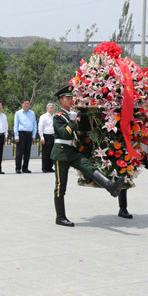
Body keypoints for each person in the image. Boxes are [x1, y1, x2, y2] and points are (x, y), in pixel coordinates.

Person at [51, 85, 125, 227]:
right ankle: (60, 217)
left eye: (71, 97)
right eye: (68, 98)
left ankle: (110, 186)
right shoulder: (58, 117)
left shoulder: (71, 115)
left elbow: (77, 134)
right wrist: (72, 122)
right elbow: (65, 134)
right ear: (61, 100)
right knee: (60, 185)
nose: (71, 100)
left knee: (89, 167)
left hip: (72, 151)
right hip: (61, 153)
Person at [14, 99, 36, 174]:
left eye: (28, 103)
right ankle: (18, 168)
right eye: (25, 103)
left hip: (29, 134)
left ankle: (25, 168)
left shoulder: (32, 113)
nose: (27, 105)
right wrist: (16, 135)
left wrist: (34, 134)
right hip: (21, 134)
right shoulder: (18, 113)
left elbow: (34, 124)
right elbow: (16, 125)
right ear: (22, 104)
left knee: (27, 152)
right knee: (19, 152)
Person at [38, 103, 55, 173]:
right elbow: (40, 127)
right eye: (50, 108)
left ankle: (50, 167)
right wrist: (41, 137)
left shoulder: (55, 116)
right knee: (45, 153)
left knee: (52, 152)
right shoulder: (43, 117)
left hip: (53, 136)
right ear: (47, 109)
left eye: (53, 108)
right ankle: (44, 167)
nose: (51, 109)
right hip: (46, 136)